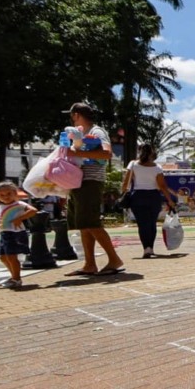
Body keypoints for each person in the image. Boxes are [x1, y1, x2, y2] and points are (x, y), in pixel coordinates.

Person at [63, 102, 124, 276]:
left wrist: (77, 153)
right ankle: (90, 264)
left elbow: (107, 153)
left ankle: (114, 259)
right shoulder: (77, 134)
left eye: (71, 116)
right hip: (77, 181)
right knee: (84, 225)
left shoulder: (96, 132)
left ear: (76, 115)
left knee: (91, 222)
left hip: (90, 181)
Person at [122, 143, 177, 258]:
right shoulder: (157, 167)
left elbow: (126, 182)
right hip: (153, 196)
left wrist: (123, 193)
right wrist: (169, 200)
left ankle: (146, 248)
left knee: (142, 224)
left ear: (139, 151)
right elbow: (162, 186)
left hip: (137, 196)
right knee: (152, 223)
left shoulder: (132, 164)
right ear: (152, 152)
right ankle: (150, 248)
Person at [0, 181, 37, 289]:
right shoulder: (1, 206)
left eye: (9, 194)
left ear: (14, 193)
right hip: (4, 233)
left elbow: (33, 210)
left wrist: (19, 218)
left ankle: (17, 279)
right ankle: (13, 277)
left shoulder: (19, 204)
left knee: (11, 256)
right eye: (2, 195)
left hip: (14, 233)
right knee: (3, 257)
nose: (6, 197)